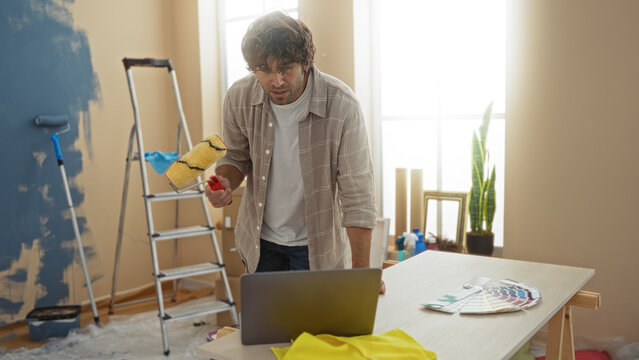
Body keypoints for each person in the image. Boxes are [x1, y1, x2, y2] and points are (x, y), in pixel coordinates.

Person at [206, 11, 382, 291]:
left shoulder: (342, 105)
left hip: (316, 246)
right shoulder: (238, 97)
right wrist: (226, 181)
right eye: (264, 69)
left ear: (306, 62)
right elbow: (235, 158)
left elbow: (357, 195)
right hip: (260, 243)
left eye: (285, 68)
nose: (276, 81)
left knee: (317, 331)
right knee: (266, 331)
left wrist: (362, 275)